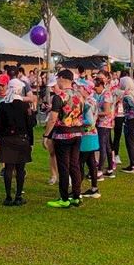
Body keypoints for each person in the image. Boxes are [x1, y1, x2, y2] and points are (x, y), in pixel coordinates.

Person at [46, 69, 86, 208]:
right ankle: (76, 195)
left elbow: (53, 118)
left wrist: (46, 135)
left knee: (64, 167)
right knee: (75, 165)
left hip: (63, 134)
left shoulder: (59, 96)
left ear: (62, 78)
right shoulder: (80, 95)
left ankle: (64, 198)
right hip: (77, 133)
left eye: (57, 79)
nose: (56, 81)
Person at [0, 78, 33, 206]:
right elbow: (30, 125)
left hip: (6, 139)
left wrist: (0, 138)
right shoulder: (24, 105)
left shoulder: (2, 104)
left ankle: (8, 196)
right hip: (22, 139)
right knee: (20, 169)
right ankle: (18, 196)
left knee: (8, 168)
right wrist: (31, 141)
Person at [93, 74, 116, 178]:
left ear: (101, 86)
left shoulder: (106, 95)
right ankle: (110, 168)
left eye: (96, 87)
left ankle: (100, 169)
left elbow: (106, 112)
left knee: (102, 146)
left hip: (104, 124)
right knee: (107, 146)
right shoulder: (102, 94)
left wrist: (95, 113)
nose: (95, 90)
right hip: (104, 123)